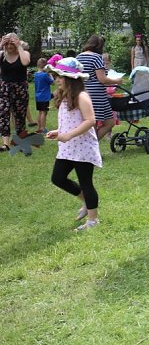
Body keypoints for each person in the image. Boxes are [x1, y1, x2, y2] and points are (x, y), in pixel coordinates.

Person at [44, 57, 102, 231]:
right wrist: (58, 131)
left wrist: (68, 135)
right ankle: (86, 202)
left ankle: (93, 220)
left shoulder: (82, 96)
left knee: (86, 182)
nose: (57, 80)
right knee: (58, 178)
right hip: (69, 147)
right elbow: (70, 120)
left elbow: (90, 120)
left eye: (60, 76)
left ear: (70, 78)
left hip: (82, 147)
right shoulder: (64, 96)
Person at [76, 35, 123, 141]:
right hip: (96, 94)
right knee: (95, 122)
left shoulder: (78, 57)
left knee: (109, 122)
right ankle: (90, 148)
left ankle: (91, 146)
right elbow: (102, 79)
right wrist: (116, 81)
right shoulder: (97, 57)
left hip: (82, 91)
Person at [0, 33, 31, 152]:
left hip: (20, 89)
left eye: (11, 43)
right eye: (7, 43)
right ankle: (5, 144)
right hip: (4, 89)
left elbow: (25, 62)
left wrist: (19, 46)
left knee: (19, 116)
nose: (9, 46)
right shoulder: (2, 55)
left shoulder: (24, 53)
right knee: (3, 115)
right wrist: (0, 45)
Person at [33, 58, 54, 133]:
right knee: (44, 112)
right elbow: (52, 82)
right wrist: (50, 74)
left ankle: (39, 126)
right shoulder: (45, 75)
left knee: (40, 112)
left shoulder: (36, 74)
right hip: (44, 97)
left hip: (38, 96)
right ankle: (42, 128)